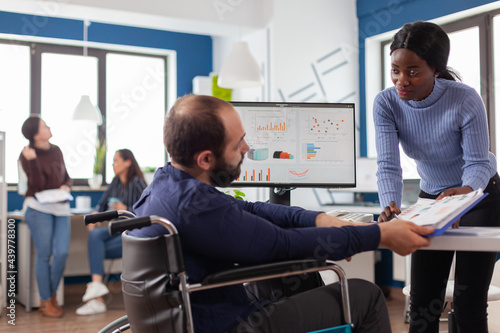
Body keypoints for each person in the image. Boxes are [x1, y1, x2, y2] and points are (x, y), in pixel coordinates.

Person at [129, 94, 434, 333]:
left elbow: (250, 208)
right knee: (365, 296)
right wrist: (379, 235)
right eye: (238, 144)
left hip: (199, 315)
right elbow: (281, 245)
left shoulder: (165, 185)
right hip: (228, 325)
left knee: (299, 279)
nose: (248, 148)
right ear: (206, 159)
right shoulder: (196, 208)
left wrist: (317, 219)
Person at [374, 21, 500, 333]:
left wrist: (465, 196)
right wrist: (389, 205)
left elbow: (477, 162)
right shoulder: (386, 104)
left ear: (435, 68)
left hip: (479, 194)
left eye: (413, 71)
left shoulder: (464, 98)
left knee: (469, 303)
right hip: (433, 198)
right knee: (422, 304)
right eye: (395, 70)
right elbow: (389, 166)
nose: (402, 80)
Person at [76, 149, 147, 315]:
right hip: (114, 232)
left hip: (131, 235)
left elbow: (148, 209)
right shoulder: (114, 183)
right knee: (94, 235)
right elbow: (101, 206)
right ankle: (97, 292)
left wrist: (126, 209)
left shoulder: (137, 182)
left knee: (96, 247)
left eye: (116, 160)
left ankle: (97, 298)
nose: (113, 164)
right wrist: (95, 216)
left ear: (127, 162)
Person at [19, 115, 72, 318]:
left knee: (61, 253)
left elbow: (65, 175)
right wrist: (32, 162)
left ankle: (49, 295)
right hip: (38, 207)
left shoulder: (56, 149)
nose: (48, 127)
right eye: (44, 125)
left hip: (60, 206)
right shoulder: (26, 155)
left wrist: (67, 184)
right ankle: (46, 300)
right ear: (35, 134)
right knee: (45, 254)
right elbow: (38, 185)